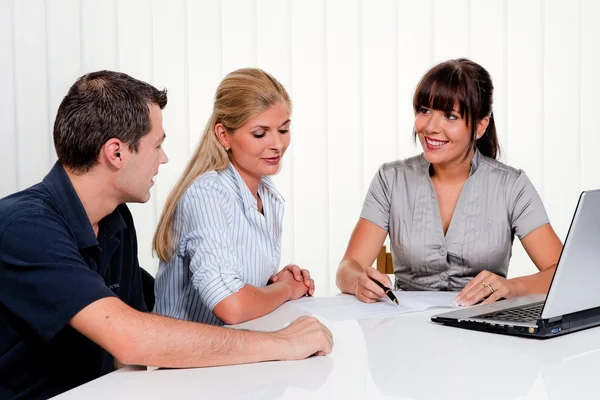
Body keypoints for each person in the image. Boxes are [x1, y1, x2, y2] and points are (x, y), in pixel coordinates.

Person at [0, 71, 333, 400]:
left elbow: (135, 332)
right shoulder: (24, 226)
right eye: (157, 145)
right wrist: (283, 344)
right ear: (116, 153)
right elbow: (129, 338)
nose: (164, 158)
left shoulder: (116, 221)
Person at [336, 58, 563, 307]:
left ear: (479, 126)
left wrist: (513, 287)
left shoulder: (511, 186)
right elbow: (348, 268)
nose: (431, 127)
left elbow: (561, 273)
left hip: (484, 330)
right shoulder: (391, 179)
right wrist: (359, 280)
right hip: (405, 327)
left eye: (450, 116)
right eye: (425, 110)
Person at [153, 68, 314, 326]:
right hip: (192, 361)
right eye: (260, 133)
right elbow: (232, 306)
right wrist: (285, 289)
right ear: (223, 135)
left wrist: (276, 281)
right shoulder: (207, 194)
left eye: (283, 130)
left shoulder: (267, 193)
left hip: (237, 352)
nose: (277, 144)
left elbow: (241, 286)